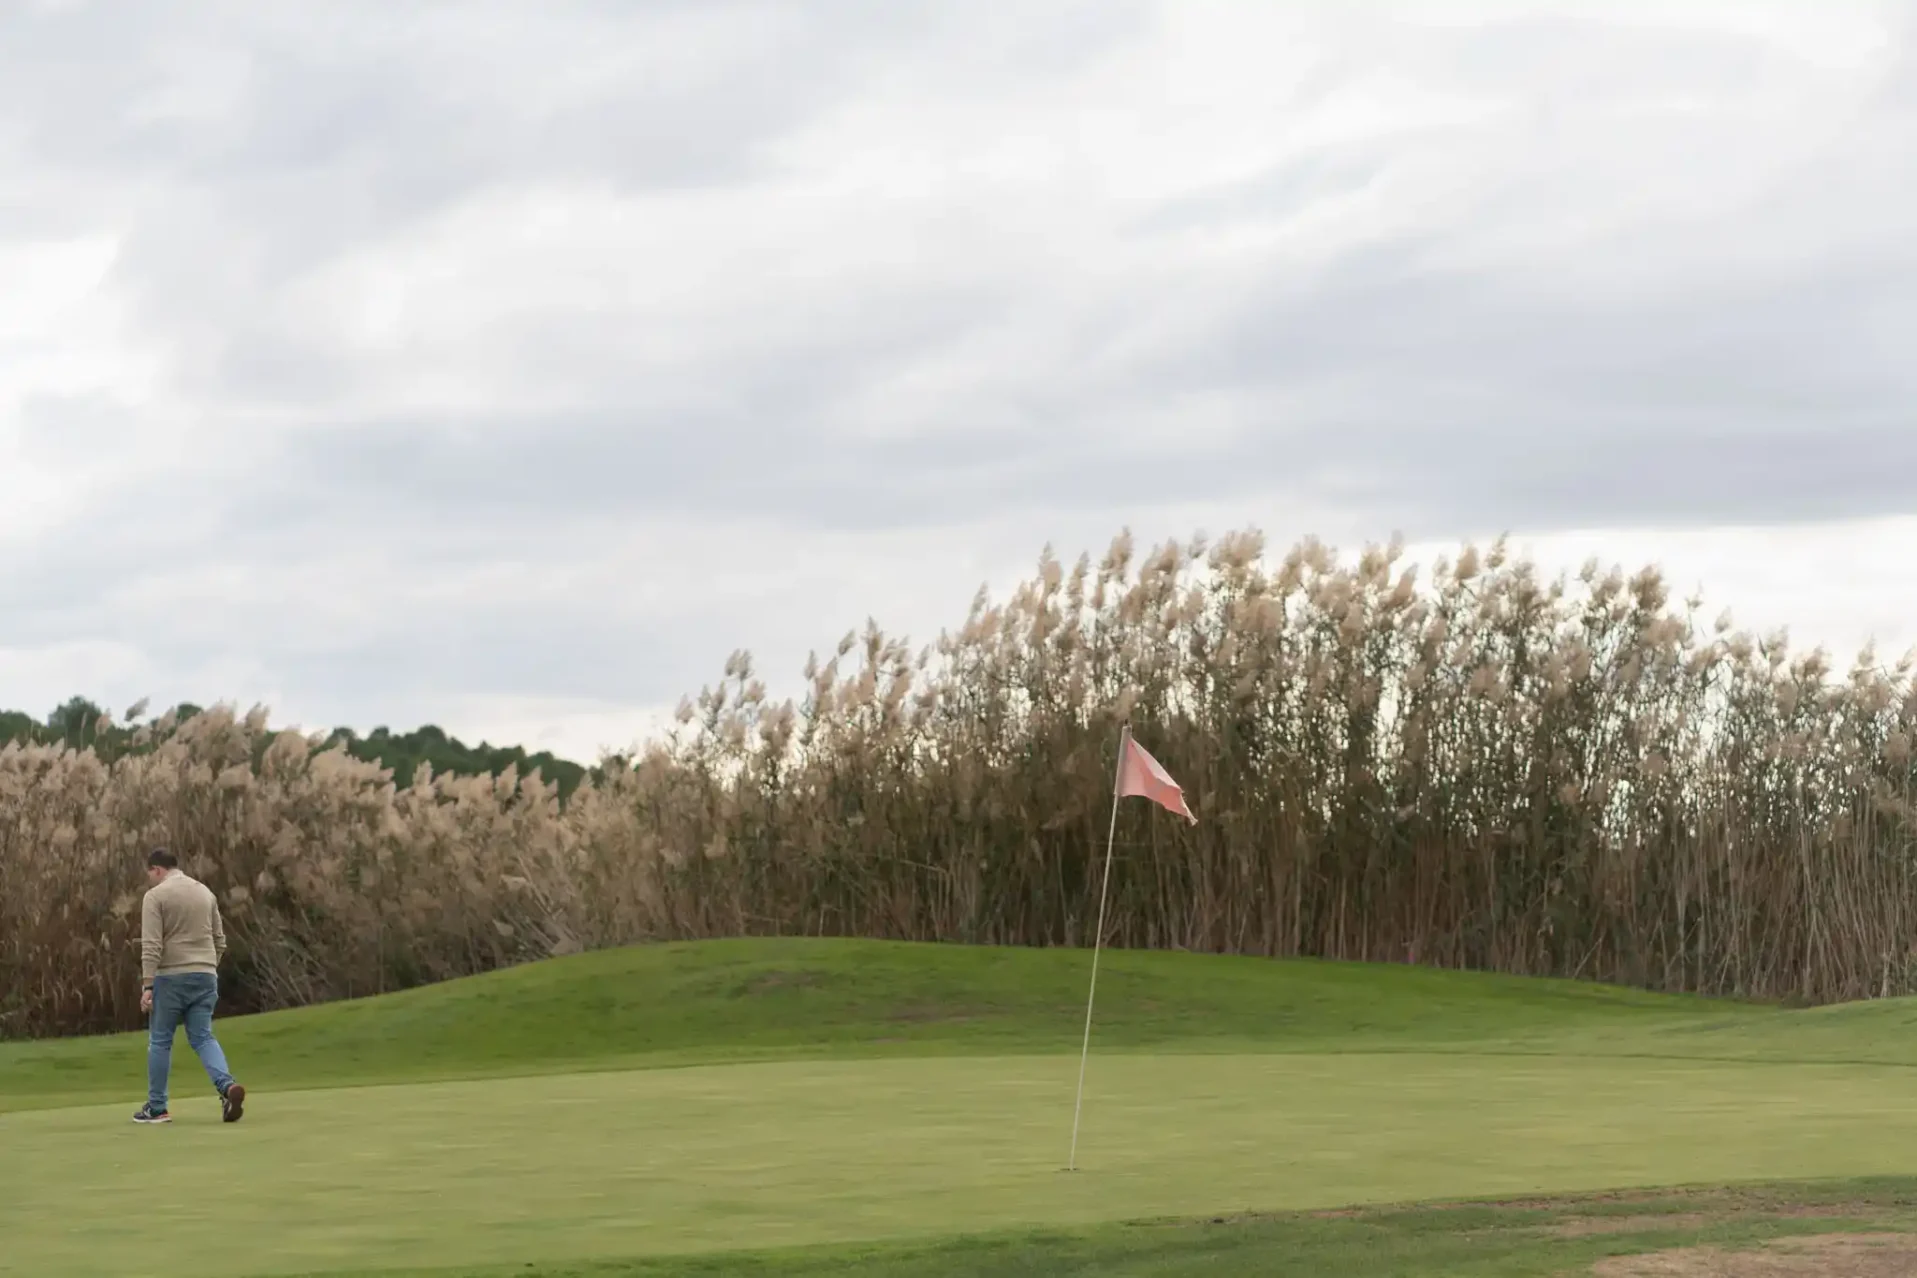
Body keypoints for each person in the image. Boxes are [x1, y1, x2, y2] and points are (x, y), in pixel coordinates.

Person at [132, 848, 246, 1125]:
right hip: (206, 974)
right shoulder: (205, 893)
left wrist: (148, 985)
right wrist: (208, 967)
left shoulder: (155, 896)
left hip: (171, 976)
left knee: (160, 1040)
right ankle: (226, 1086)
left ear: (157, 870)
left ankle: (157, 1108)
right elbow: (220, 940)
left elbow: (152, 945)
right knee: (203, 1037)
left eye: (150, 874)